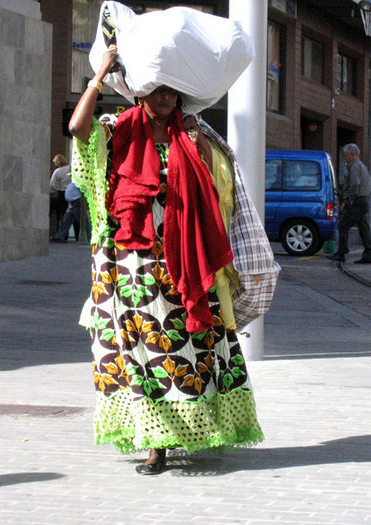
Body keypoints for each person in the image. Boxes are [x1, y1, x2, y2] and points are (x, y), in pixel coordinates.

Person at [67, 45, 268, 475]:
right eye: (155, 88)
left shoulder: (194, 137)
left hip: (185, 262)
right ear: (139, 93)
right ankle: (155, 444)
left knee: (189, 349)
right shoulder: (115, 129)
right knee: (138, 350)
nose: (163, 96)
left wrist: (200, 144)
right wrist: (99, 73)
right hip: (129, 265)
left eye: (171, 91)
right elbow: (76, 128)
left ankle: (189, 432)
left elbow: (222, 186)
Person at [327, 143, 371, 264]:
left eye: (345, 155)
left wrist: (349, 200)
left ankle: (341, 252)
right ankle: (369, 253)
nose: (344, 158)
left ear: (352, 155)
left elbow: (355, 184)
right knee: (363, 227)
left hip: (357, 200)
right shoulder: (361, 166)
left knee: (343, 225)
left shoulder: (355, 166)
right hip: (363, 200)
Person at [49, 154, 71, 237]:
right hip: (73, 192)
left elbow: (52, 184)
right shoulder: (71, 168)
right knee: (71, 215)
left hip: (62, 193)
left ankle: (60, 234)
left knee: (61, 214)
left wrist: (57, 189)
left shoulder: (57, 171)